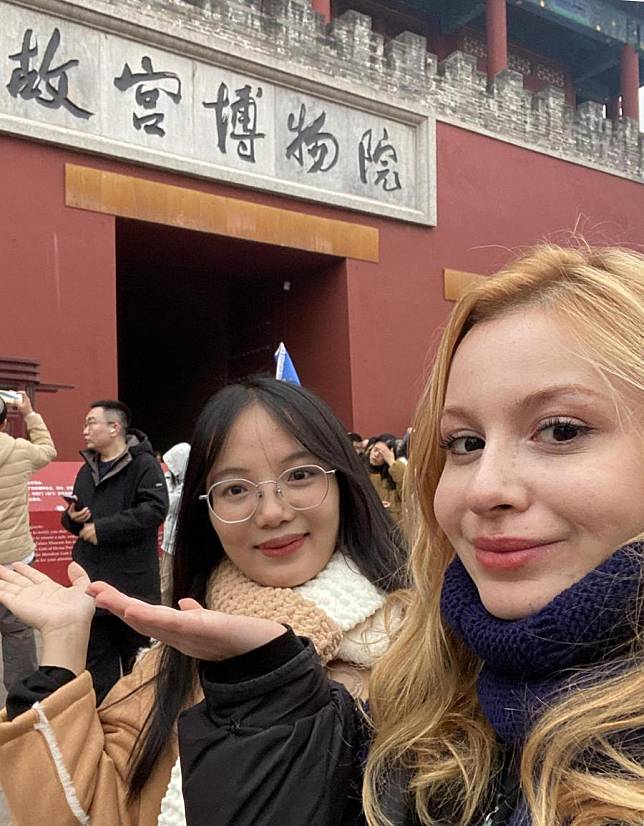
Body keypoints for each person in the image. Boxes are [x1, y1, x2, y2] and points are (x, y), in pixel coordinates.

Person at [80, 242, 644, 825]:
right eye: (465, 443)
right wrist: (60, 665)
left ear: (346, 483)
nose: (271, 512)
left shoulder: (397, 662)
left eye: (559, 431)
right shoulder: (436, 693)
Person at [0, 377, 406, 825]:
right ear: (205, 513)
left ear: (344, 482)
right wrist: (61, 646)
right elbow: (92, 810)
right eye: (235, 489)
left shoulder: (423, 650)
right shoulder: (171, 662)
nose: (272, 512)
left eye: (301, 475)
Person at [61, 399, 168, 702]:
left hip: (130, 583)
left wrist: (104, 528)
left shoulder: (144, 465)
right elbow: (72, 520)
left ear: (114, 427)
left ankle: (138, 728)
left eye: (90, 423)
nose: (85, 431)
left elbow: (154, 510)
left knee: (137, 663)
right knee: (97, 668)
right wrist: (73, 517)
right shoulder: (87, 469)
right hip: (91, 585)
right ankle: (105, 728)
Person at [0, 393, 56, 692]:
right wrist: (31, 414)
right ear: (6, 421)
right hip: (15, 559)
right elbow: (48, 450)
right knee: (18, 631)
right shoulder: (21, 451)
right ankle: (21, 699)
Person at [160, 442, 190, 606]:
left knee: (171, 585)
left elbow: (169, 505)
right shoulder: (174, 482)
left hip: (181, 545)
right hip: (169, 546)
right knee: (165, 585)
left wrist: (169, 484)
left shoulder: (187, 486)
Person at [366, 433, 407, 525]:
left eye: (382, 454)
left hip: (394, 527)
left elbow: (407, 492)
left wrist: (392, 463)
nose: (376, 455)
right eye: (375, 450)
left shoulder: (394, 472)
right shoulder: (362, 470)